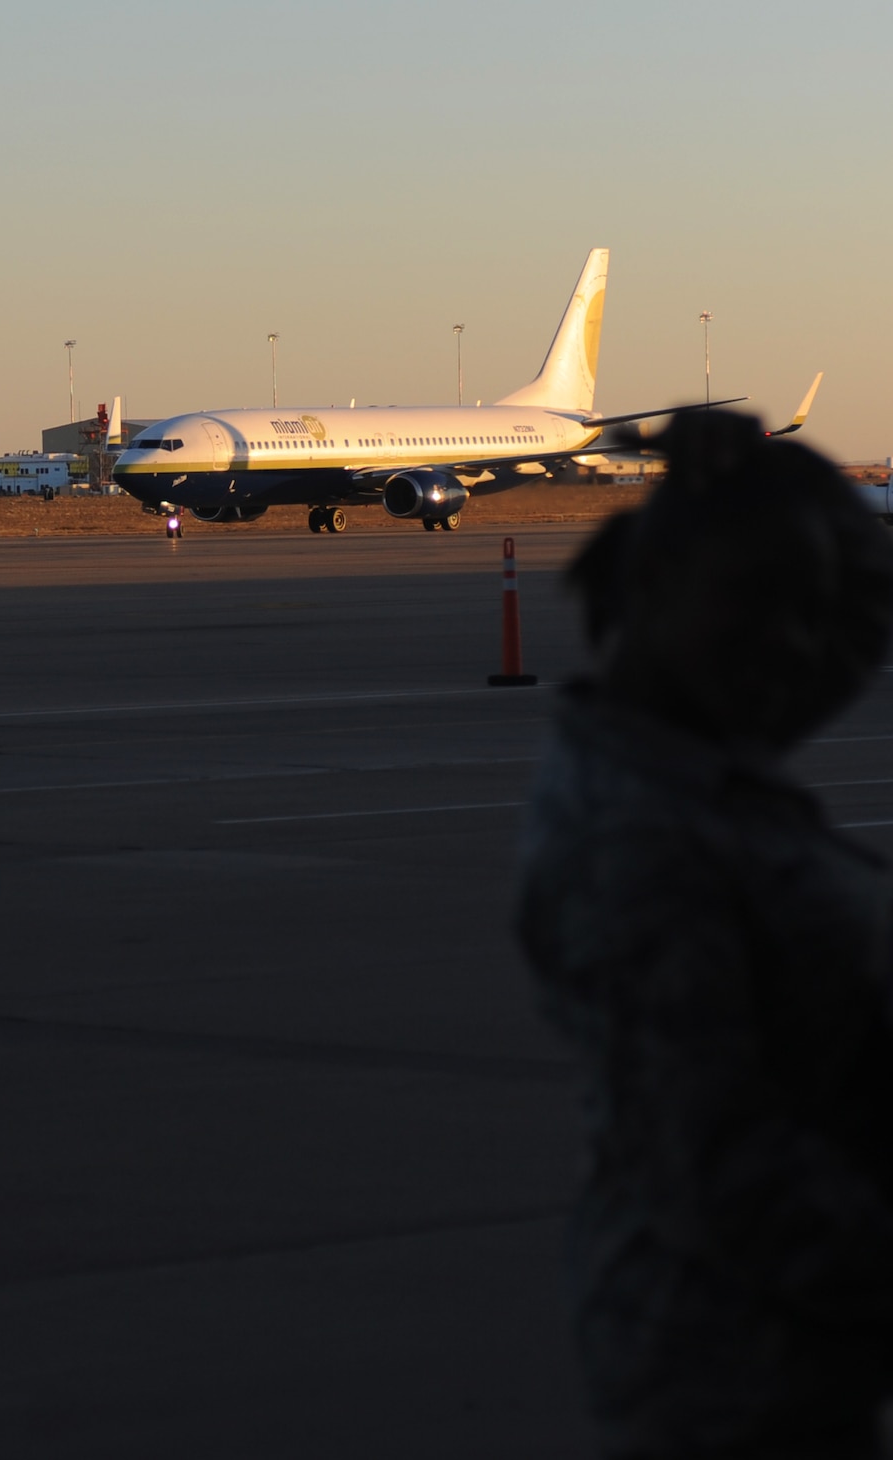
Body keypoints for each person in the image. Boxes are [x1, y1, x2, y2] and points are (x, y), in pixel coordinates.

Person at [517, 408, 893, 1458]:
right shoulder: (634, 840)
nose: (801, 648)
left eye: (830, 616)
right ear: (655, 587)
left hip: (795, 1358)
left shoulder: (701, 772)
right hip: (736, 1377)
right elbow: (721, 1163)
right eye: (760, 602)